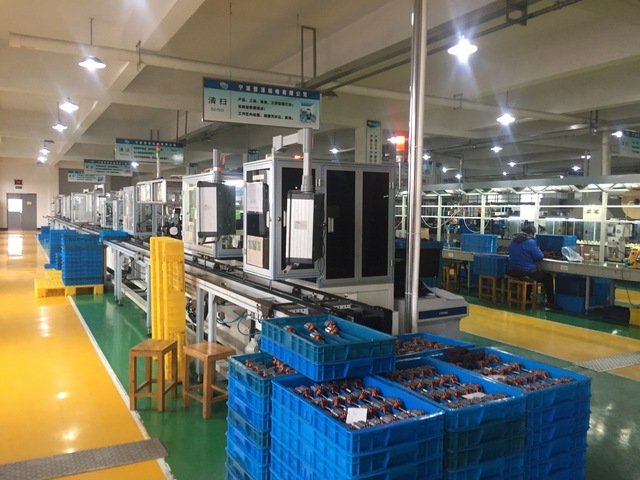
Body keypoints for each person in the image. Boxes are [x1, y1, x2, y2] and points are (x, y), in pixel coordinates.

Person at [507, 224, 560, 310]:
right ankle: (550, 302)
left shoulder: (513, 241)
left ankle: (527, 298)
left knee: (531, 274)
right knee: (548, 277)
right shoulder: (530, 242)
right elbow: (539, 257)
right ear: (531, 233)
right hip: (525, 271)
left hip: (512, 270)